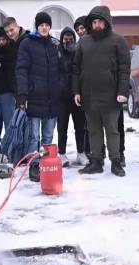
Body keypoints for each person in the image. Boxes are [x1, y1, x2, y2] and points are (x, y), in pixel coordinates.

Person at [73, 6, 131, 177]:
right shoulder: (83, 42)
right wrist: (76, 91)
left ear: (107, 23)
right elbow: (76, 68)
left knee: (112, 130)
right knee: (93, 130)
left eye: (100, 22)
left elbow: (124, 69)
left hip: (111, 96)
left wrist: (122, 91)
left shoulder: (117, 41)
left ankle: (116, 162)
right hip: (89, 96)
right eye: (94, 22)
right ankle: (96, 161)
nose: (97, 25)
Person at [16, 12, 62, 182]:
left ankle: (46, 163)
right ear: (37, 26)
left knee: (48, 136)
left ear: (50, 27)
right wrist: (22, 94)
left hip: (52, 98)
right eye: (41, 25)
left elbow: (60, 70)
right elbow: (21, 70)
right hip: (34, 97)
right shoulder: (27, 44)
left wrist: (60, 89)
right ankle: (34, 165)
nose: (44, 27)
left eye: (47, 25)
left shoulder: (54, 45)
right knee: (34, 136)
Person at [58, 27, 88, 167]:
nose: (68, 41)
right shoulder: (57, 53)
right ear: (61, 39)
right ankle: (62, 153)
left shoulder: (78, 52)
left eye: (70, 38)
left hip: (77, 96)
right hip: (62, 97)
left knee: (80, 127)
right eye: (65, 38)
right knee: (62, 127)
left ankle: (81, 153)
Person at [0, 27, 17, 161]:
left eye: (3, 39)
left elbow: (12, 67)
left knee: (9, 123)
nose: (1, 42)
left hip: (8, 92)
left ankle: (9, 150)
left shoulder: (12, 49)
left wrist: (1, 64)